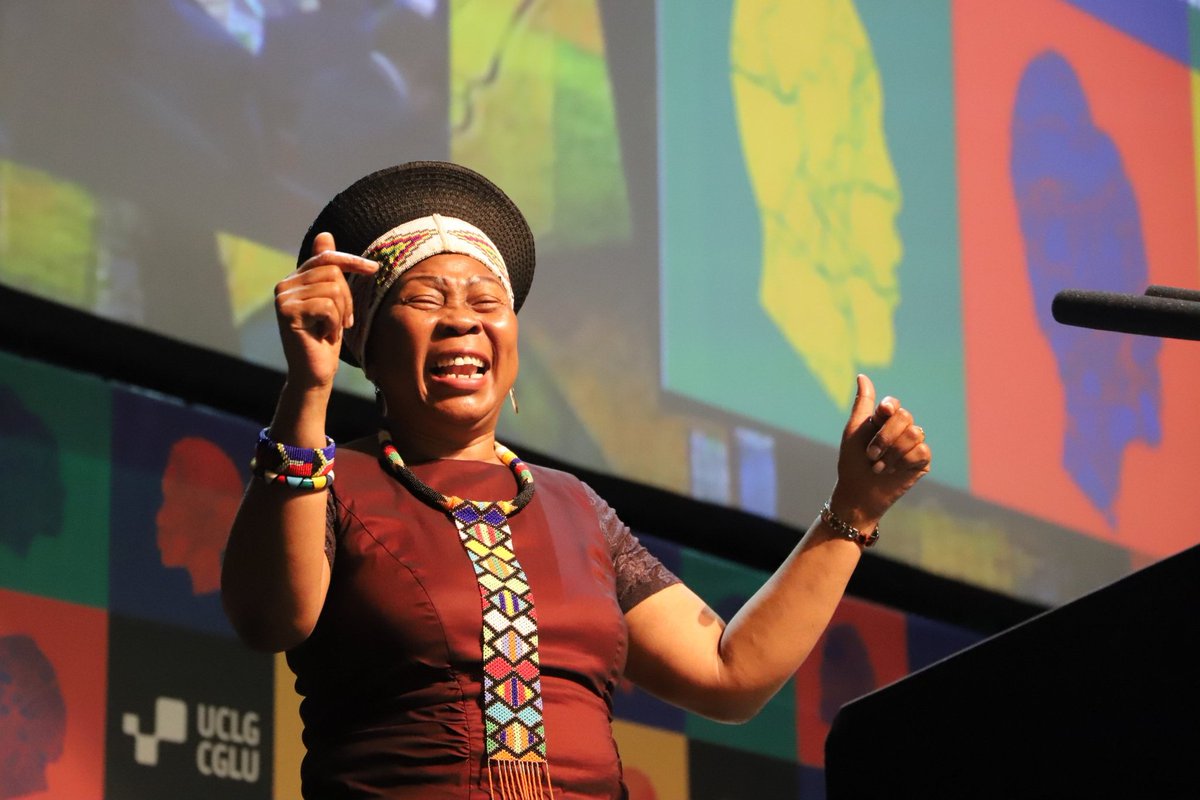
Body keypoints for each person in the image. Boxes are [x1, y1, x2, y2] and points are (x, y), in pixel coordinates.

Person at [221, 161, 930, 799]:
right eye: (426, 299)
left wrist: (856, 506)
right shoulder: (328, 483)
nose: (462, 320)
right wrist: (307, 391)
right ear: (367, 348)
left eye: (486, 302)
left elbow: (728, 675)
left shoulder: (576, 510)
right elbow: (269, 619)